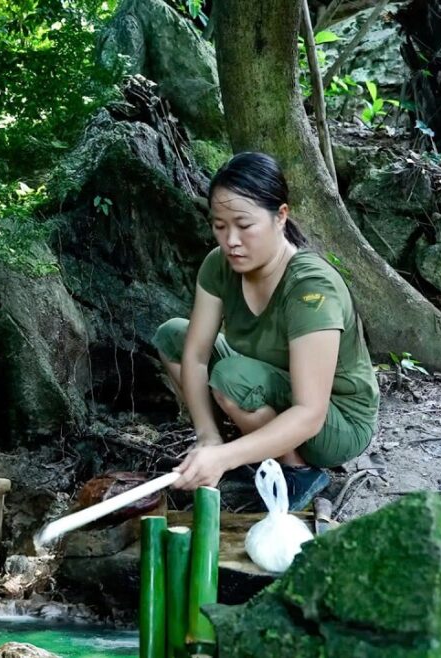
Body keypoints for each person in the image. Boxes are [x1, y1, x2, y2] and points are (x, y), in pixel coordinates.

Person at [152, 152, 378, 510]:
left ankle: (298, 471)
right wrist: (209, 438)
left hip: (336, 420)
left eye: (244, 224)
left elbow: (310, 411)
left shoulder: (310, 287)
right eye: (220, 225)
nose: (231, 240)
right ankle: (245, 445)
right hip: (267, 385)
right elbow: (194, 356)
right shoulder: (219, 265)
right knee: (173, 335)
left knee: (232, 377)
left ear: (280, 217)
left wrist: (225, 458)